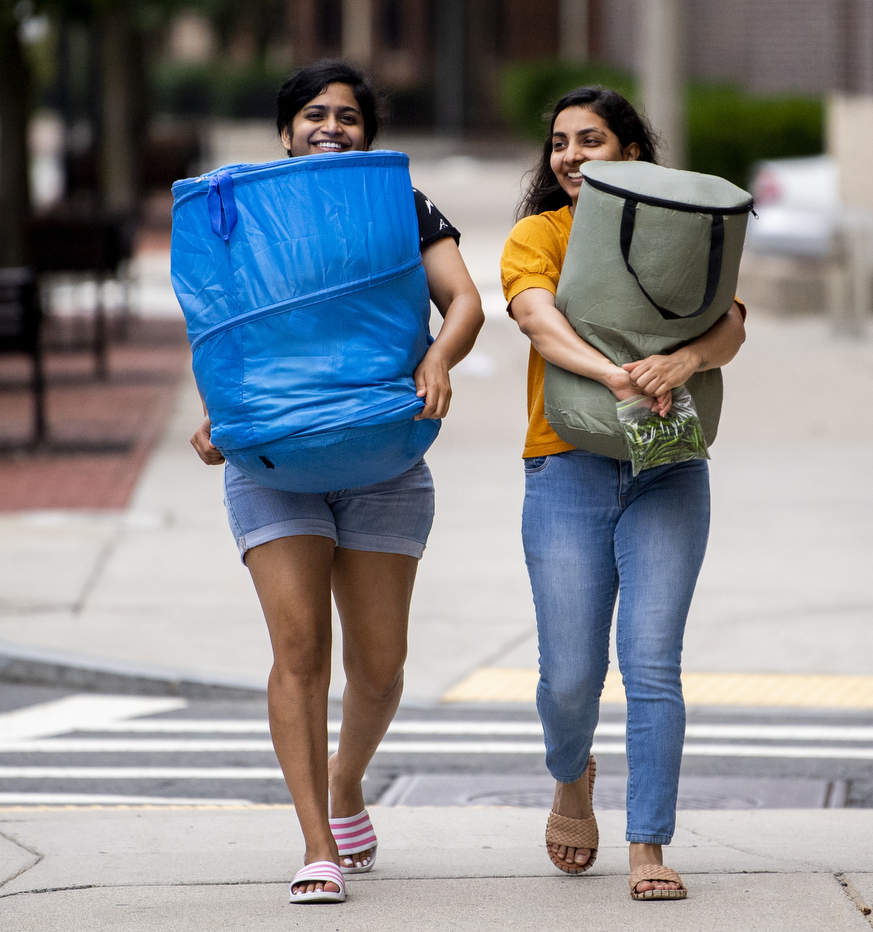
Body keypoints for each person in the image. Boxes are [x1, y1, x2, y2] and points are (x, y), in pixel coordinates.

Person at [189, 60, 483, 905]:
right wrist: (220, 411)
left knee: (381, 668)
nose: (331, 126)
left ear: (368, 133)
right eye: (313, 114)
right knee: (301, 649)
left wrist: (438, 357)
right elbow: (221, 326)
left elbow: (463, 300)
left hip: (384, 454)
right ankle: (316, 840)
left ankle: (347, 777)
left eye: (347, 116)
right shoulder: (240, 210)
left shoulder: (402, 204)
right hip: (275, 462)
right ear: (284, 132)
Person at [500, 86, 747, 902]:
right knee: (570, 675)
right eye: (560, 143)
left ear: (632, 153)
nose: (570, 155)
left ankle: (649, 844)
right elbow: (535, 317)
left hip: (668, 467)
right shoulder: (539, 235)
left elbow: (732, 322)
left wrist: (684, 363)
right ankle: (572, 776)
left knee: (652, 663)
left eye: (591, 140)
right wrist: (611, 373)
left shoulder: (681, 228)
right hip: (566, 461)